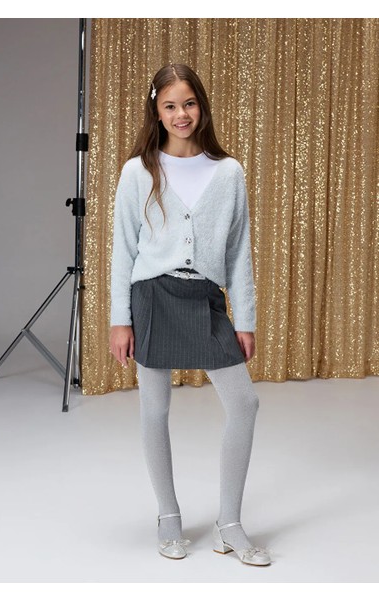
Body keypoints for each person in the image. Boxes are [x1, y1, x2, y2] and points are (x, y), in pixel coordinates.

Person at [109, 63, 272, 566]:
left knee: (243, 404)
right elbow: (123, 249)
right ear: (156, 111)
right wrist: (120, 319)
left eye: (189, 103)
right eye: (170, 106)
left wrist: (244, 320)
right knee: (155, 408)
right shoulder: (138, 171)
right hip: (151, 297)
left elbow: (239, 251)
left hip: (204, 298)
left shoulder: (229, 172)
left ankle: (230, 524)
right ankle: (168, 516)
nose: (181, 114)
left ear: (201, 106)